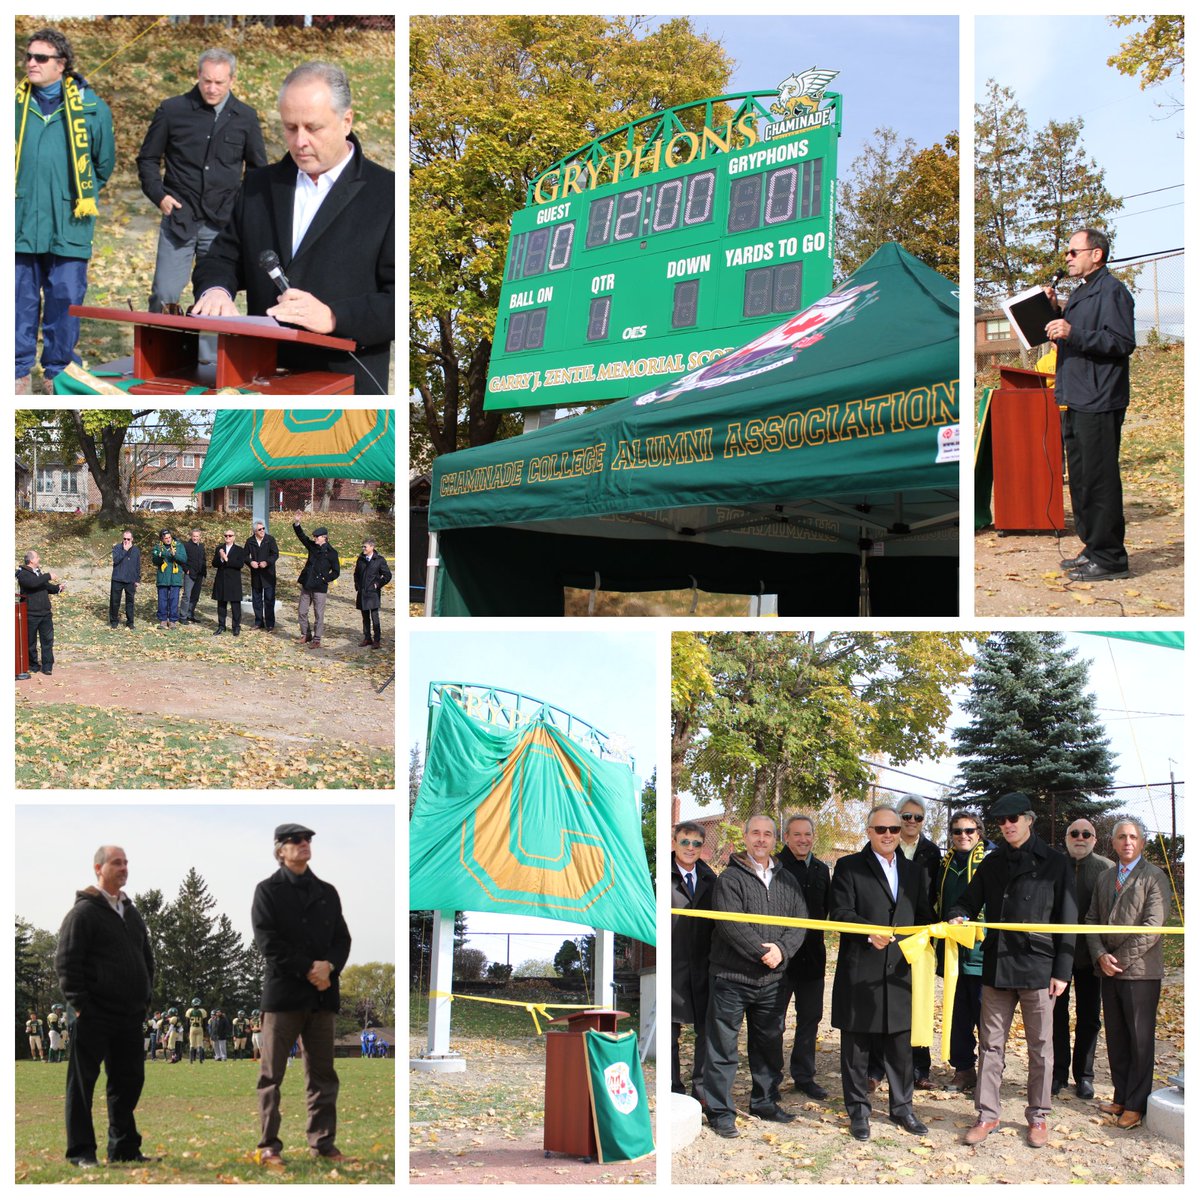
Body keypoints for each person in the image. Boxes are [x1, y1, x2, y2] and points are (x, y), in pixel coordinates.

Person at [191, 61, 395, 393]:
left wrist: (333, 316)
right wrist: (216, 290)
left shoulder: (388, 193)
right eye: (290, 127)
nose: (299, 141)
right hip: (259, 380)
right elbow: (221, 258)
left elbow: (398, 301)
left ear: (347, 121)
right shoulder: (259, 184)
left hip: (347, 388)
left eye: (313, 128)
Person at [948, 793, 1076, 1148]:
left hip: (1038, 966)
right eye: (1001, 821)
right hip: (998, 966)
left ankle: (1038, 1116)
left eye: (1013, 819)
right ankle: (987, 1114)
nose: (1007, 825)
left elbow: (1067, 920)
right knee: (991, 1045)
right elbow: (967, 901)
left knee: (1041, 1046)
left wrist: (1062, 971)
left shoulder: (1055, 862)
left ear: (1029, 819)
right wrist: (957, 913)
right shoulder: (991, 863)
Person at [16, 27, 115, 394]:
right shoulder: (13, 105)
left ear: (61, 64)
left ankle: (58, 372)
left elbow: (103, 165)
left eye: (40, 57)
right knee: (17, 301)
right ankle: (16, 372)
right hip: (19, 222)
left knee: (65, 299)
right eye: (28, 56)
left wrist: (72, 194)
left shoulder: (91, 108)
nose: (31, 63)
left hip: (70, 223)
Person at [251, 822, 353, 1168]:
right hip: (283, 997)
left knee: (323, 1075)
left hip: (322, 998)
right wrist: (311, 969)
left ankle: (323, 1144)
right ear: (280, 850)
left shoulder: (327, 891)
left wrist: (330, 967)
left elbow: (342, 939)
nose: (304, 844)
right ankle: (269, 1145)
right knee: (271, 1076)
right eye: (295, 840)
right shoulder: (267, 891)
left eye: (307, 839)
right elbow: (268, 944)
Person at [830, 806, 934, 1142]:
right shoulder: (849, 867)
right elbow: (840, 913)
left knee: (900, 1047)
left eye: (893, 828)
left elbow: (923, 915)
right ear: (869, 831)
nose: (888, 834)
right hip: (861, 970)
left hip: (901, 971)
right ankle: (858, 1111)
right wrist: (867, 931)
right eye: (881, 829)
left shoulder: (914, 871)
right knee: (857, 1048)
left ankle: (902, 1109)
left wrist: (949, 923)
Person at [136, 49, 267, 314]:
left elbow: (258, 170)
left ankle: (208, 357)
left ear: (232, 80)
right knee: (165, 293)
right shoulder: (172, 110)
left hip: (223, 224)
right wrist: (159, 195)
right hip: (179, 218)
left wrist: (242, 209)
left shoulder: (246, 117)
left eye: (219, 82)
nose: (212, 88)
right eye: (206, 81)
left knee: (213, 297)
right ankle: (160, 353)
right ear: (198, 75)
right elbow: (147, 159)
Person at [701, 815, 807, 1139]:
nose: (761, 839)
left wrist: (782, 951)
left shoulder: (788, 879)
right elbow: (731, 924)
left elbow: (800, 922)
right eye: (755, 834)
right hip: (732, 979)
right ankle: (719, 1112)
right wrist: (764, 952)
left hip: (772, 982)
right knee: (722, 1049)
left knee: (768, 1046)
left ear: (776, 840)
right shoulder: (730, 879)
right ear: (745, 838)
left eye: (768, 834)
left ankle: (765, 1101)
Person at [1044, 228, 1136, 581]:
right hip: (1076, 395)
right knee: (1081, 478)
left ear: (1095, 254)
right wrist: (1052, 311)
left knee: (1099, 480)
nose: (1067, 257)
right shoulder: (1083, 293)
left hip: (1099, 398)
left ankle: (1111, 558)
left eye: (1073, 251)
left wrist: (1073, 332)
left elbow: (1122, 342)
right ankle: (1093, 547)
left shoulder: (1111, 290)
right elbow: (1072, 334)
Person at [55, 846, 155, 1168]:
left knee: (128, 1082)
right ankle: (81, 1152)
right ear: (98, 867)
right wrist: (81, 1005)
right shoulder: (83, 913)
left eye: (126, 862)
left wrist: (145, 996)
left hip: (129, 1015)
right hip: (93, 1014)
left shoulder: (131, 912)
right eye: (117, 862)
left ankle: (124, 1147)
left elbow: (146, 957)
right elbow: (67, 961)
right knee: (83, 1085)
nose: (124, 868)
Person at [1085, 818, 1170, 1130]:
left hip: (1141, 973)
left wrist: (1117, 959)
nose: (1127, 842)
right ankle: (1120, 1097)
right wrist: (1099, 955)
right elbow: (1091, 919)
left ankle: (1136, 1104)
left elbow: (1153, 927)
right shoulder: (1106, 877)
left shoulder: (1154, 876)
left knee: (1139, 1040)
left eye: (1133, 837)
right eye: (1122, 837)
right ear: (1114, 842)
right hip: (1109, 971)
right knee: (1117, 1038)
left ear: (1142, 842)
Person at [1052, 818, 1113, 1099]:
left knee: (1089, 1018)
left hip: (1092, 957)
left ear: (1094, 839)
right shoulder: (1053, 864)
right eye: (1074, 833)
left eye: (1086, 833)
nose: (1079, 837)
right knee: (1056, 1016)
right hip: (1056, 956)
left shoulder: (1106, 869)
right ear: (1066, 837)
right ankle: (1058, 1073)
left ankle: (1085, 1076)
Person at [933, 810, 989, 1092]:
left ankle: (990, 1076)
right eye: (957, 831)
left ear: (979, 833)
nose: (963, 836)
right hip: (953, 952)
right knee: (957, 1015)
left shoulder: (991, 861)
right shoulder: (946, 863)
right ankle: (964, 1069)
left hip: (982, 953)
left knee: (986, 1017)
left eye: (969, 830)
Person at [777, 814, 831, 1100]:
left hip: (813, 957)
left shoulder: (822, 869)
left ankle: (804, 1076)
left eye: (807, 834)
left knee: (810, 1018)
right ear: (786, 837)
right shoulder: (774, 866)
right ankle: (771, 1077)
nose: (803, 840)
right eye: (797, 834)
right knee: (775, 1020)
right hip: (780, 959)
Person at [894, 794, 942, 1089]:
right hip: (889, 931)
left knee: (921, 999)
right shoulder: (885, 842)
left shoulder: (931, 852)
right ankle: (879, 1067)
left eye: (918, 817)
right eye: (906, 816)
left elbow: (934, 891)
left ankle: (920, 1069)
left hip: (921, 932)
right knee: (890, 998)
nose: (911, 822)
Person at [669, 820, 717, 1102]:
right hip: (673, 966)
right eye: (684, 842)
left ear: (703, 847)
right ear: (674, 843)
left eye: (696, 843)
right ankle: (673, 1088)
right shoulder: (662, 877)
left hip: (704, 966)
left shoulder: (711, 879)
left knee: (706, 1032)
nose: (690, 848)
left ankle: (701, 1090)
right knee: (670, 1034)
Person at [291, 514, 340, 648]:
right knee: (302, 611)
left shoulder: (332, 553)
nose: (315, 539)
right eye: (314, 537)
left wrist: (325, 579)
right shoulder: (313, 547)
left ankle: (317, 639)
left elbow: (336, 572)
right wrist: (297, 523)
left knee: (318, 614)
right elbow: (302, 537)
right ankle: (305, 634)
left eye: (317, 537)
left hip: (320, 588)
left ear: (324, 537)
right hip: (307, 584)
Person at [17, 550, 65, 675]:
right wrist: (48, 575)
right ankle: (33, 665)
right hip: (31, 614)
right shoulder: (23, 574)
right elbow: (33, 584)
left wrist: (57, 588)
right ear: (31, 560)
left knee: (47, 641)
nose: (39, 558)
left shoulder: (38, 573)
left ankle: (47, 666)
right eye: (37, 557)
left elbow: (45, 586)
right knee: (30, 642)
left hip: (45, 614)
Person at [353, 538, 391, 649]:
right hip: (362, 592)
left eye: (365, 546)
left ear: (372, 547)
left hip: (373, 593)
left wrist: (377, 584)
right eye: (362, 546)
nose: (363, 548)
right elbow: (356, 574)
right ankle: (367, 638)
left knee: (375, 617)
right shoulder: (360, 559)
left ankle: (377, 640)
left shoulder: (379, 560)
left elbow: (387, 575)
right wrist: (357, 586)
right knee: (365, 617)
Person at [244, 519, 280, 632]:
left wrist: (267, 562)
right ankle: (258, 622)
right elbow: (244, 556)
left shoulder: (270, 539)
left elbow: (275, 554)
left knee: (269, 599)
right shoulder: (250, 541)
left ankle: (270, 624)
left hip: (268, 574)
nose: (263, 530)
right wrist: (251, 562)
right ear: (255, 531)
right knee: (257, 600)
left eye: (263, 528)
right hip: (256, 575)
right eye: (260, 529)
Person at [211, 528, 248, 636]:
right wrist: (221, 559)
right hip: (221, 580)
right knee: (221, 605)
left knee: (235, 606)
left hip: (233, 582)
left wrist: (226, 559)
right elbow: (214, 563)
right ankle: (221, 626)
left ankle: (236, 627)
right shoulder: (219, 548)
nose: (227, 537)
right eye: (226, 535)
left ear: (234, 537)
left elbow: (240, 564)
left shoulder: (239, 550)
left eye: (230, 535)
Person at [151, 529, 188, 629]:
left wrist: (174, 554)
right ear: (162, 539)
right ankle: (163, 620)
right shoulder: (158, 547)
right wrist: (162, 555)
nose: (168, 540)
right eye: (165, 538)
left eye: (169, 538)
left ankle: (172, 621)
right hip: (163, 577)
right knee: (162, 600)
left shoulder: (179, 546)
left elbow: (184, 559)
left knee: (174, 600)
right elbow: (154, 560)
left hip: (175, 577)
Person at [109, 530, 141, 629]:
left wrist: (137, 579)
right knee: (115, 601)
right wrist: (125, 550)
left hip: (130, 580)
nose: (126, 541)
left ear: (132, 539)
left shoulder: (136, 550)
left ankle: (130, 622)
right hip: (117, 579)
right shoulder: (117, 548)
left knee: (130, 602)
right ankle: (114, 621)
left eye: (128, 539)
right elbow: (116, 559)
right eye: (124, 539)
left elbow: (137, 566)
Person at [181, 528, 207, 624]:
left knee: (195, 596)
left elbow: (204, 559)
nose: (195, 538)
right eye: (194, 536)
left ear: (200, 537)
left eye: (197, 536)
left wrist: (204, 572)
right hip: (190, 574)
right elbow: (182, 559)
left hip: (199, 574)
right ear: (191, 536)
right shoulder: (186, 546)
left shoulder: (201, 546)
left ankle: (190, 614)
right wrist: (186, 569)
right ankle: (183, 616)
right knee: (187, 595)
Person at [185, 998, 208, 1063]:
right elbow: (205, 1022)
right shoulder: (202, 1011)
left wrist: (187, 1031)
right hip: (200, 1028)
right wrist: (204, 1030)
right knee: (200, 1044)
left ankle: (191, 1059)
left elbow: (187, 1022)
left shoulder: (189, 1011)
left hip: (192, 1028)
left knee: (192, 1044)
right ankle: (201, 1059)